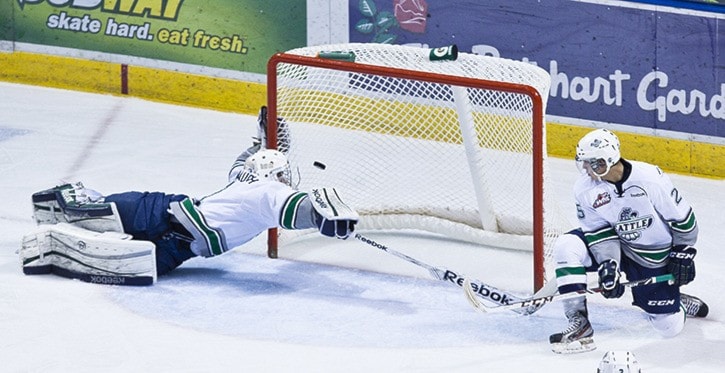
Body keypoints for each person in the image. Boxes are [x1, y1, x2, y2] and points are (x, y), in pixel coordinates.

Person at [21, 107, 358, 284]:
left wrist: (263, 139)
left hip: (177, 247)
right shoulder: (269, 192)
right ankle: (67, 205)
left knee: (139, 265)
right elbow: (295, 206)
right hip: (161, 212)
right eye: (282, 173)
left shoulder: (242, 176)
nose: (287, 178)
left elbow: (247, 157)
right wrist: (321, 217)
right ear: (271, 174)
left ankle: (62, 225)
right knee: (93, 210)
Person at [548, 128, 708, 354]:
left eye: (593, 163)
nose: (586, 169)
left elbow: (683, 219)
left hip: (652, 255)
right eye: (584, 162)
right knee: (567, 246)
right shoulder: (584, 189)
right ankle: (580, 323)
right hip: (615, 245)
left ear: (609, 159)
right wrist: (609, 264)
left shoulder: (650, 178)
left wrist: (683, 250)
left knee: (668, 327)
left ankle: (676, 301)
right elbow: (598, 232)